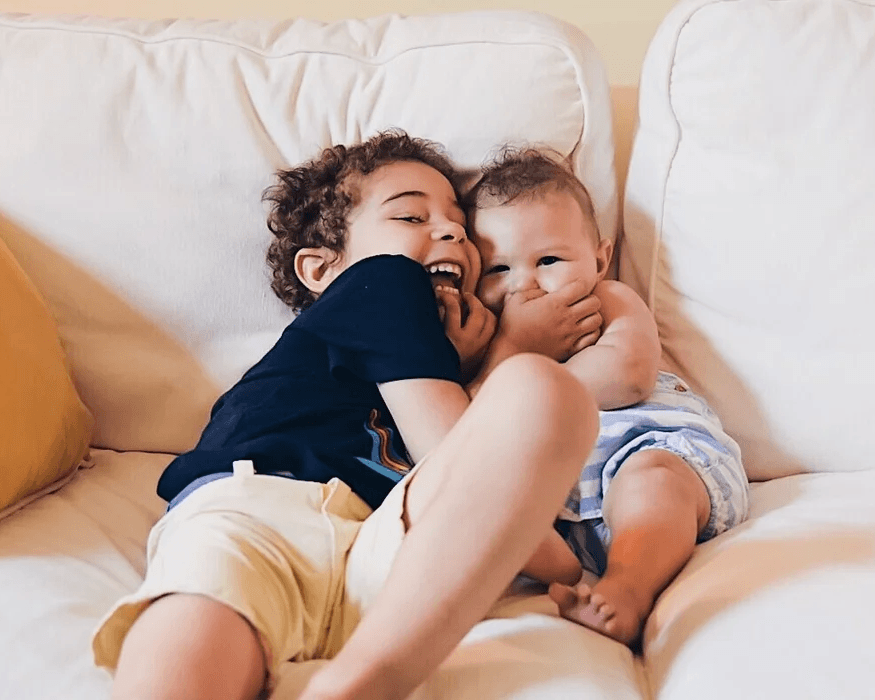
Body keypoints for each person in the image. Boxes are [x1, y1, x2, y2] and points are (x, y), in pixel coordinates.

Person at [90, 130, 604, 700]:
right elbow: (453, 449)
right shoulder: (382, 282)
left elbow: (477, 484)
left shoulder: (449, 365)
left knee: (546, 393)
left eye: (460, 221)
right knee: (202, 616)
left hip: (387, 542)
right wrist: (513, 352)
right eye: (410, 216)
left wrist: (488, 368)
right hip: (263, 511)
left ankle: (361, 681)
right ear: (321, 269)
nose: (452, 230)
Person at [464, 148, 751, 647]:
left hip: (653, 452)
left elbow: (630, 374)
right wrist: (512, 349)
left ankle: (628, 591)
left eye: (549, 260)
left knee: (651, 485)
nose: (525, 284)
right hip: (563, 517)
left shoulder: (606, 299)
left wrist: (525, 384)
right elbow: (466, 420)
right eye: (498, 269)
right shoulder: (487, 336)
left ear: (598, 258)